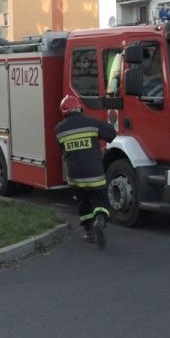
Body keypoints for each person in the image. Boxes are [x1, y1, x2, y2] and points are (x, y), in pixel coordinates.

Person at [55, 95, 117, 249]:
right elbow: (111, 133)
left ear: (64, 112)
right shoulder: (91, 122)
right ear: (80, 107)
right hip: (94, 175)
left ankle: (89, 233)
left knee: (84, 203)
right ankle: (100, 220)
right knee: (100, 201)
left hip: (75, 177)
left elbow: (63, 149)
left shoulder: (59, 129)